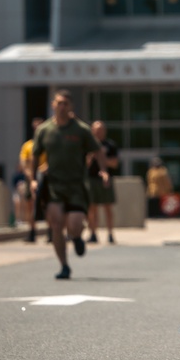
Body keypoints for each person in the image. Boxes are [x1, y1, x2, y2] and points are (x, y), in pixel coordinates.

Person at [30, 90, 105, 280]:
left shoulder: (80, 129)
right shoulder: (44, 130)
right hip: (54, 186)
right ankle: (64, 265)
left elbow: (97, 150)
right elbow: (35, 154)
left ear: (70, 106)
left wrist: (103, 171)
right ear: (53, 105)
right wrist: (32, 178)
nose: (62, 107)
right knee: (56, 224)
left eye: (66, 104)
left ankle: (77, 237)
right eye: (59, 103)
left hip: (76, 186)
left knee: (74, 224)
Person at [86, 119, 119, 244]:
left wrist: (102, 157)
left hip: (105, 180)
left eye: (101, 130)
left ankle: (110, 234)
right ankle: (93, 233)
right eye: (96, 130)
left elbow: (115, 163)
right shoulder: (88, 146)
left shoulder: (110, 145)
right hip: (91, 179)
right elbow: (85, 164)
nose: (99, 132)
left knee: (108, 208)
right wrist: (92, 156)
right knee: (92, 208)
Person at [17, 118, 46, 241]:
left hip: (45, 177)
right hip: (30, 178)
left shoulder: (47, 145)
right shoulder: (27, 145)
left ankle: (50, 233)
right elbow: (23, 163)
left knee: (46, 204)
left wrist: (39, 172)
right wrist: (31, 176)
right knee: (29, 204)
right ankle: (32, 232)